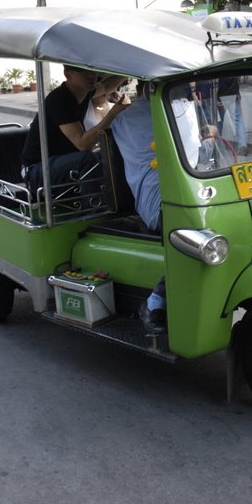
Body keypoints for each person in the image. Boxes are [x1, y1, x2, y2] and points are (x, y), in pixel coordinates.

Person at [20, 65, 129, 204]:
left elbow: (107, 86)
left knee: (111, 153)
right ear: (68, 74)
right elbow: (82, 144)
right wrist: (113, 114)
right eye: (85, 72)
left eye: (93, 71)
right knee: (88, 159)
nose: (92, 76)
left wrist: (133, 68)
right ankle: (95, 210)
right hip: (37, 171)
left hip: (61, 163)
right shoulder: (59, 100)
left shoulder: (84, 92)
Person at [109, 81, 166, 334]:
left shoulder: (176, 110)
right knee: (193, 240)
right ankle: (156, 301)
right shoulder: (135, 116)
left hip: (190, 189)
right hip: (158, 198)